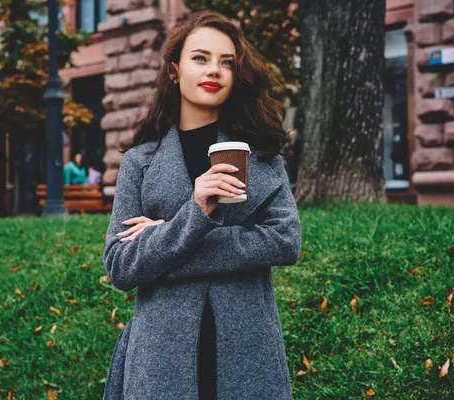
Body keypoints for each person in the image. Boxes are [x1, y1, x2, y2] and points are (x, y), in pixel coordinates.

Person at [102, 12, 301, 400]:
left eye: (227, 62)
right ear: (174, 71)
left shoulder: (262, 156)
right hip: (161, 356)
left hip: (249, 350)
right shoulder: (141, 161)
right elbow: (121, 267)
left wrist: (162, 239)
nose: (215, 70)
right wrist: (195, 213)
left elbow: (284, 242)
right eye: (200, 58)